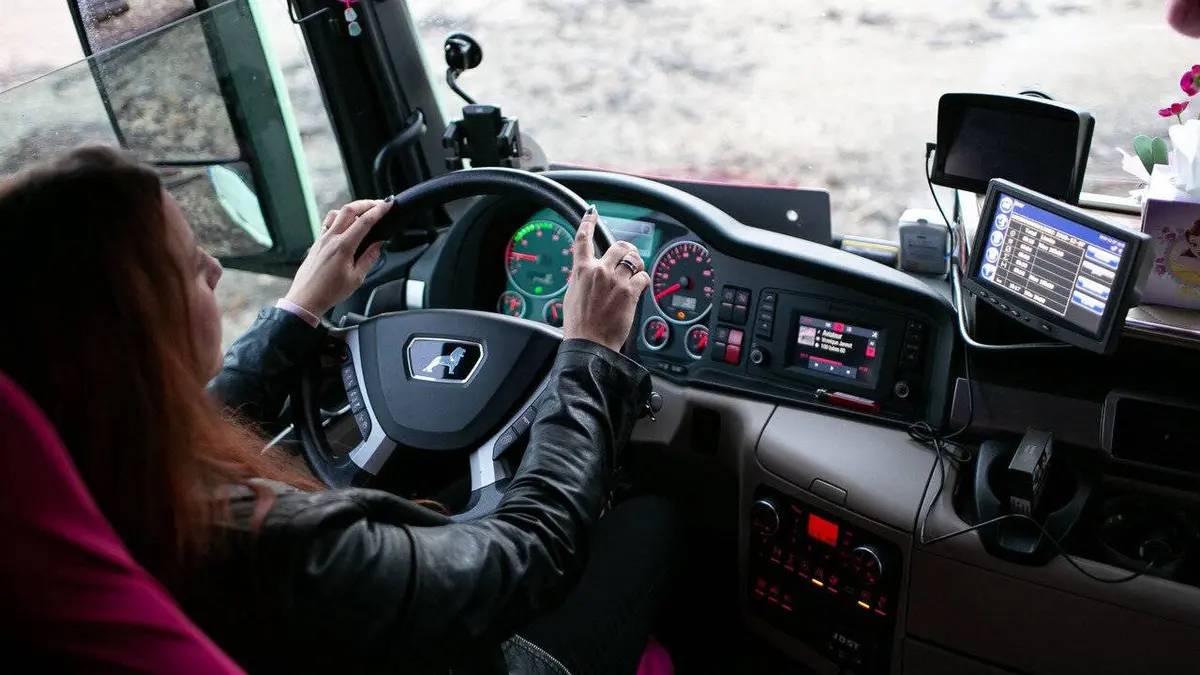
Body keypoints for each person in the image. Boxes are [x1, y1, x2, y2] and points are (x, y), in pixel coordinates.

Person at [0, 146, 679, 675]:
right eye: (189, 264)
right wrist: (588, 356)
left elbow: (201, 420)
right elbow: (529, 553)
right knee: (649, 513)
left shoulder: (65, 486)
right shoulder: (285, 552)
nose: (215, 269)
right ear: (131, 336)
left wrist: (298, 311)